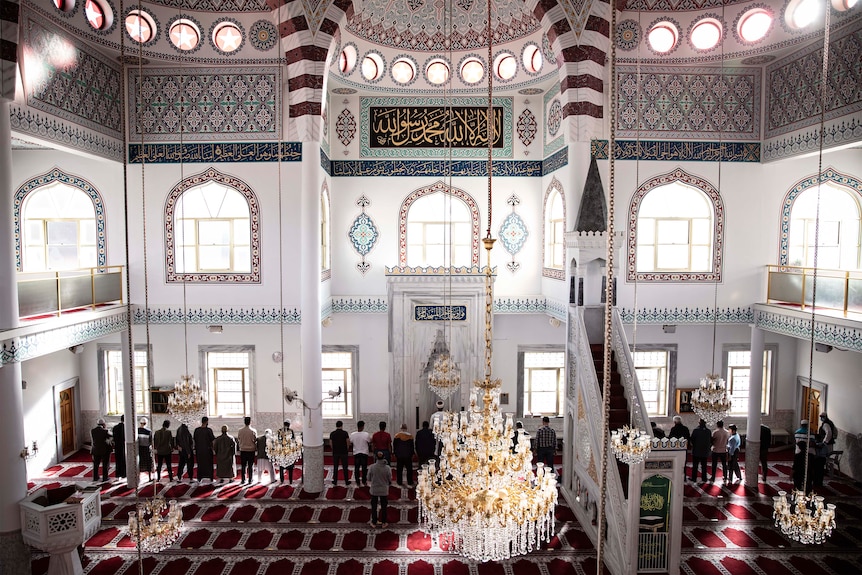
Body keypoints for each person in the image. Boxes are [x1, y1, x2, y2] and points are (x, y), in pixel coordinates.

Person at [367, 451, 392, 528]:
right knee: (384, 507)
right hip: (384, 490)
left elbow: (368, 478)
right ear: (384, 457)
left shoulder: (372, 467)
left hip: (374, 489)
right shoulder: (387, 468)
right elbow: (389, 479)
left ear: (376, 458)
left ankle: (374, 522)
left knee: (374, 507)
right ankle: (384, 522)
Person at [813, 412, 837, 487]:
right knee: (825, 457)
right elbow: (835, 431)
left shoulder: (826, 424)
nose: (821, 418)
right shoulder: (830, 422)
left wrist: (824, 442)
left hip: (826, 444)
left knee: (824, 457)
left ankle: (824, 469)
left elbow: (829, 433)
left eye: (822, 417)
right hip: (829, 443)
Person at [793, 419, 815, 492]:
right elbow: (812, 443)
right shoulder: (810, 433)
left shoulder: (797, 432)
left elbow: (796, 441)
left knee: (799, 468)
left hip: (798, 451)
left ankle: (798, 488)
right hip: (808, 452)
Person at [194, 416, 216, 482]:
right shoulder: (209, 430)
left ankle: (199, 477)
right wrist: (213, 448)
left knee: (200, 464)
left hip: (199, 451)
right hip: (207, 451)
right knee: (209, 464)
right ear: (207, 422)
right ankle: (210, 477)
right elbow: (212, 440)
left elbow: (195, 439)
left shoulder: (197, 430)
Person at [237, 416, 257, 484]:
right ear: (250, 422)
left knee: (243, 465)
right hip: (251, 450)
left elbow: (239, 439)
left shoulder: (240, 430)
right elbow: (255, 440)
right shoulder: (253, 431)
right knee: (250, 465)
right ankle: (250, 479)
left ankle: (243, 479)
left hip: (243, 449)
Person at [350, 420, 371, 486]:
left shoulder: (353, 434)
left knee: (357, 468)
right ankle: (364, 481)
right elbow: (369, 441)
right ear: (362, 427)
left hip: (356, 452)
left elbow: (351, 442)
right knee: (364, 468)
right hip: (364, 453)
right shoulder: (366, 434)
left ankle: (357, 481)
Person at [330, 420, 351, 485]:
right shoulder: (345, 433)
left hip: (335, 452)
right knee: (345, 467)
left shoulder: (332, 433)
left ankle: (335, 481)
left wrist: (333, 449)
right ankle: (346, 481)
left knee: (335, 467)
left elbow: (330, 444)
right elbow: (348, 442)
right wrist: (347, 449)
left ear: (336, 426)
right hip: (344, 452)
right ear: (342, 425)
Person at [90, 418, 112, 482]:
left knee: (96, 464)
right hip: (104, 450)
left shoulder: (92, 430)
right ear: (103, 424)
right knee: (105, 464)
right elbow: (111, 436)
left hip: (95, 449)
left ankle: (95, 477)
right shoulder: (105, 431)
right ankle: (105, 477)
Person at [137, 417, 153, 481]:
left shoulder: (137, 430)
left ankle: (139, 478)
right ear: (146, 423)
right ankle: (149, 477)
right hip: (146, 449)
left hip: (139, 449)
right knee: (148, 463)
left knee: (140, 463)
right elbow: (151, 441)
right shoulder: (148, 431)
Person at [112, 415, 126, 480]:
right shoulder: (126, 428)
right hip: (124, 446)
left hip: (117, 447)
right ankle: (124, 474)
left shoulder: (115, 427)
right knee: (124, 460)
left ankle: (118, 474)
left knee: (118, 460)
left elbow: (113, 438)